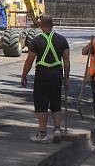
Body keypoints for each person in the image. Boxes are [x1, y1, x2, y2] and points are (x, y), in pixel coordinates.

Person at [21, 15, 70, 143]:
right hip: (56, 76)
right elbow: (66, 61)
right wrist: (66, 78)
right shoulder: (62, 40)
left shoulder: (36, 41)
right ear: (52, 25)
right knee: (56, 102)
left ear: (41, 26)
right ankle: (57, 129)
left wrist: (24, 75)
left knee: (42, 104)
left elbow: (29, 61)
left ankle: (42, 133)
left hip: (42, 77)